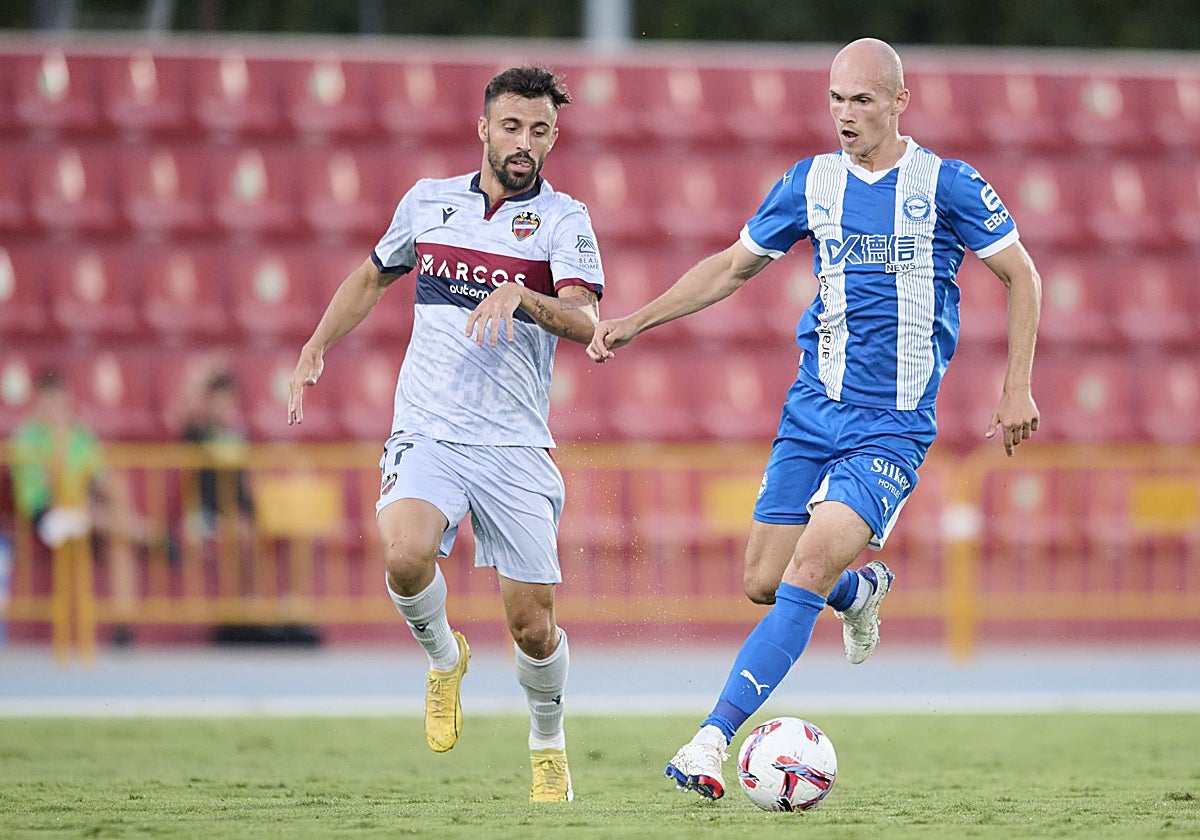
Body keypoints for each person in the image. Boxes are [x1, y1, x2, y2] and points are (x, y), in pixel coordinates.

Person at [587, 38, 1042, 801]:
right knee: (762, 579)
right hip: (811, 410)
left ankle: (709, 740)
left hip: (890, 427)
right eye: (835, 99)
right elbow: (733, 266)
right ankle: (859, 595)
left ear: (900, 101)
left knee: (803, 567)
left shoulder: (948, 184)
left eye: (862, 99)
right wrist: (640, 320)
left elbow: (1021, 274)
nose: (845, 115)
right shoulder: (810, 183)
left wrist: (1016, 386)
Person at [287, 66, 604, 803]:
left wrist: (523, 295)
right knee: (403, 554)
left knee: (531, 628)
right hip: (428, 427)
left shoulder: (564, 220)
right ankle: (443, 657)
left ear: (553, 137)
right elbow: (372, 276)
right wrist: (316, 344)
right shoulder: (427, 203)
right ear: (484, 129)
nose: (526, 142)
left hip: (514, 444)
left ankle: (547, 740)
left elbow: (586, 321)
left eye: (541, 130)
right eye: (513, 126)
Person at [8, 369, 149, 646]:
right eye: (48, 403)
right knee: (99, 517)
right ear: (37, 404)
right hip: (42, 514)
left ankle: (123, 625)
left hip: (80, 510)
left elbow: (100, 477)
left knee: (118, 541)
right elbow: (39, 491)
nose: (54, 410)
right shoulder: (27, 439)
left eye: (59, 403)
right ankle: (152, 535)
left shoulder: (80, 435)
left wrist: (111, 493)